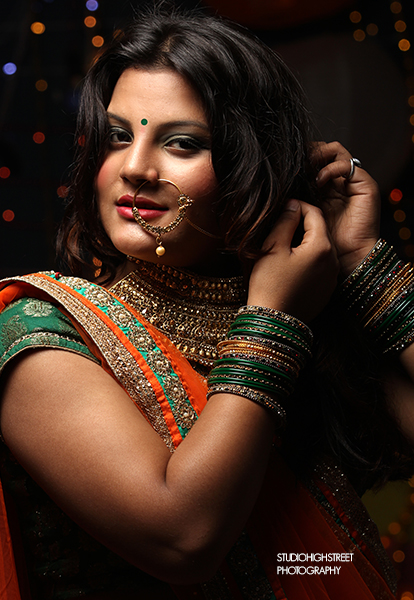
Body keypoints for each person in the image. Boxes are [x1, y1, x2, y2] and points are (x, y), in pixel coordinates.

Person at [0, 6, 413, 600]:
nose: (135, 168)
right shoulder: (41, 331)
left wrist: (365, 263)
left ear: (253, 166)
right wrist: (273, 321)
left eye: (182, 144)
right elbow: (184, 540)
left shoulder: (307, 322)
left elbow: (306, 565)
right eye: (119, 136)